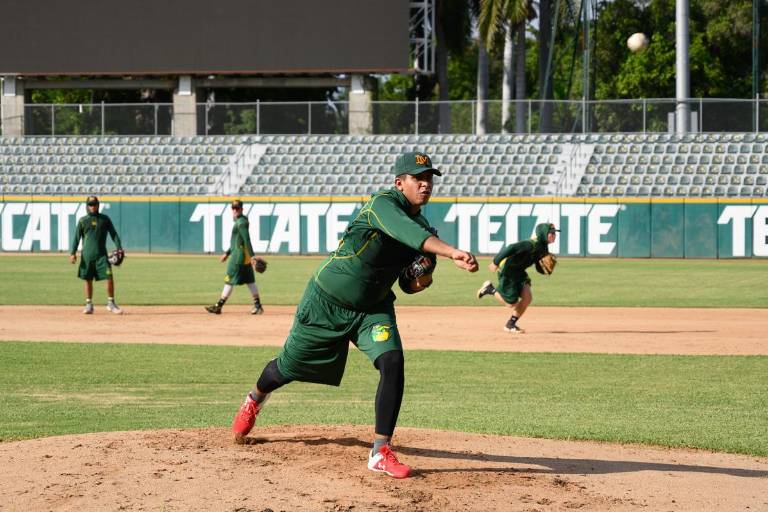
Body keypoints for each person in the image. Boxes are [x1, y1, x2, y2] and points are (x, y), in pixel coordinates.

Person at [230, 151, 478, 479]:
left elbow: (409, 285)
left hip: (373, 308)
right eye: (417, 178)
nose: (425, 184)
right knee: (287, 368)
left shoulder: (422, 229)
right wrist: (451, 252)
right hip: (327, 300)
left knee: (392, 361)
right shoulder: (382, 205)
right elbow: (407, 231)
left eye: (429, 178)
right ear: (399, 183)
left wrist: (425, 274)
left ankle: (380, 451)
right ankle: (255, 398)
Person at [476, 223, 559, 333]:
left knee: (527, 298)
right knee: (511, 304)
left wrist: (544, 269)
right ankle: (489, 289)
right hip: (508, 271)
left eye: (554, 233)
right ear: (544, 233)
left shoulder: (543, 247)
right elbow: (511, 247)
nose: (554, 235)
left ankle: (510, 325)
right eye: (551, 233)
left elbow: (538, 265)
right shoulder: (530, 244)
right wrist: (495, 262)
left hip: (519, 272)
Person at [205, 200, 267, 315]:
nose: (235, 210)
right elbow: (237, 242)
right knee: (250, 281)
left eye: (237, 208)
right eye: (233, 208)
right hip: (244, 256)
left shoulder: (241, 223)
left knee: (229, 280)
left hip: (238, 257)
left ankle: (219, 306)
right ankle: (258, 306)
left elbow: (246, 240)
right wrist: (227, 253)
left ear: (242, 209)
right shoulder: (242, 220)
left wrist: (253, 256)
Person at [69, 196, 124, 315]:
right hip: (87, 256)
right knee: (88, 280)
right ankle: (89, 305)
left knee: (109, 277)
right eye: (90, 204)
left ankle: (111, 303)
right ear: (87, 206)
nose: (92, 206)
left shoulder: (105, 219)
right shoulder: (83, 221)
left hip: (102, 256)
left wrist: (119, 247)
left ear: (98, 205)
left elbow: (114, 234)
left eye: (94, 204)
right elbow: (76, 238)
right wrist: (73, 253)